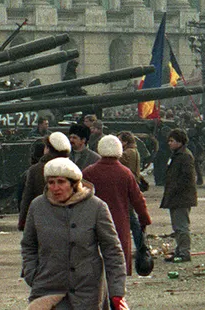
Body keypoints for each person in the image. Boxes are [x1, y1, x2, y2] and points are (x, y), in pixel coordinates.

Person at [21, 157, 128, 310]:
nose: (55, 188)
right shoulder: (38, 207)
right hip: (48, 289)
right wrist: (32, 274)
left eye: (61, 182)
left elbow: (112, 250)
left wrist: (116, 292)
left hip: (87, 292)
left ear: (73, 183)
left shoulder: (96, 207)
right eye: (51, 183)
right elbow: (28, 245)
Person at [81, 135, 150, 276]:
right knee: (118, 261)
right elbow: (138, 199)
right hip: (119, 222)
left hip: (94, 222)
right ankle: (117, 294)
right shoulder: (125, 173)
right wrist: (144, 219)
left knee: (96, 261)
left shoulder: (88, 172)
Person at [18, 132, 72, 231]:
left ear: (47, 149)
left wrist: (23, 222)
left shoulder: (35, 170)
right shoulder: (71, 168)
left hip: (42, 222)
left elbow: (28, 197)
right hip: (68, 222)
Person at [161, 128, 198, 263]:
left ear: (180, 142)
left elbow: (187, 178)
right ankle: (180, 249)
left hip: (181, 197)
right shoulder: (177, 155)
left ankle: (184, 252)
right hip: (176, 196)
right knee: (177, 226)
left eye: (172, 141)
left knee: (181, 226)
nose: (169, 143)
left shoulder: (185, 156)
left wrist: (174, 189)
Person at [115, 130, 148, 257]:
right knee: (133, 220)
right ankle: (140, 245)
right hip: (132, 188)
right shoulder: (134, 151)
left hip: (127, 190)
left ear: (125, 142)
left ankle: (140, 246)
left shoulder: (127, 154)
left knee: (132, 220)